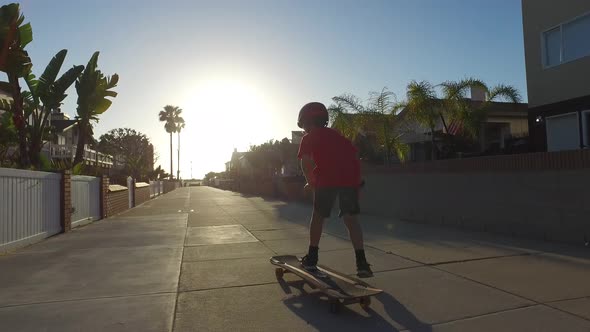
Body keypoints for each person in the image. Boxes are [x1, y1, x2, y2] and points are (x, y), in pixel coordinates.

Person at [296, 102, 373, 278]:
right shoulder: (337, 136)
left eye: (304, 125)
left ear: (307, 122)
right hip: (350, 179)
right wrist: (356, 181)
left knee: (318, 217)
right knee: (351, 219)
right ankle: (362, 263)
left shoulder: (309, 137)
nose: (305, 129)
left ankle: (312, 258)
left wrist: (310, 182)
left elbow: (306, 162)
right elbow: (354, 156)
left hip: (327, 179)